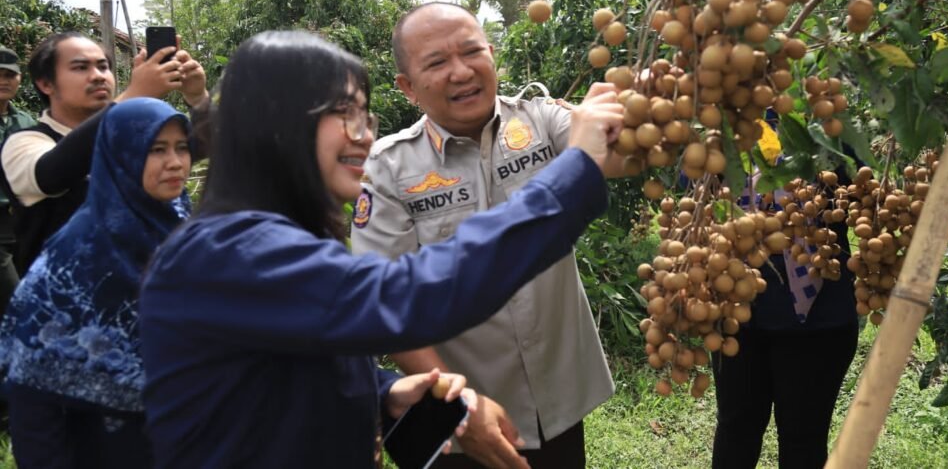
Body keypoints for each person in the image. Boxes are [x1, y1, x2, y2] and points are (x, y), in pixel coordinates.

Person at [138, 30, 624, 469]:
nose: (363, 134)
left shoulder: (269, 239)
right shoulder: (228, 253)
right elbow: (405, 295)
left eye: (363, 114)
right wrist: (575, 170)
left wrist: (384, 392)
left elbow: (279, 366)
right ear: (274, 126)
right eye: (341, 113)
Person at [351, 2, 620, 469]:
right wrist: (460, 405)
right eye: (437, 62)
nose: (461, 71)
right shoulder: (388, 169)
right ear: (408, 87)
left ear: (493, 55)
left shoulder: (542, 121)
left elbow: (611, 155)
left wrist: (624, 112)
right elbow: (387, 306)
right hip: (466, 415)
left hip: (556, 403)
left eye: (472, 51)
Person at [0, 98, 192, 468]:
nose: (175, 162)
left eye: (182, 148)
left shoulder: (182, 228)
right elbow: (31, 381)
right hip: (103, 447)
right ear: (120, 154)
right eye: (156, 149)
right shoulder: (80, 251)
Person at [0, 31, 208, 274]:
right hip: (66, 304)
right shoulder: (25, 142)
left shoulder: (136, 136)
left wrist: (197, 97)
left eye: (103, 67)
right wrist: (135, 94)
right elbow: (54, 172)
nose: (97, 76)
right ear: (46, 83)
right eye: (80, 68)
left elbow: (208, 147)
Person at [711, 147, 858, 469]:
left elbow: (862, 194)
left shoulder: (829, 131)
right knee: (736, 431)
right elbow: (692, 184)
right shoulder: (724, 123)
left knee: (803, 440)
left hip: (819, 319)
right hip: (737, 312)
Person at [0, 46, 35, 315]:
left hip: (24, 222)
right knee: (17, 304)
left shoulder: (26, 122)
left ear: (19, 79)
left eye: (9, 75)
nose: (4, 80)